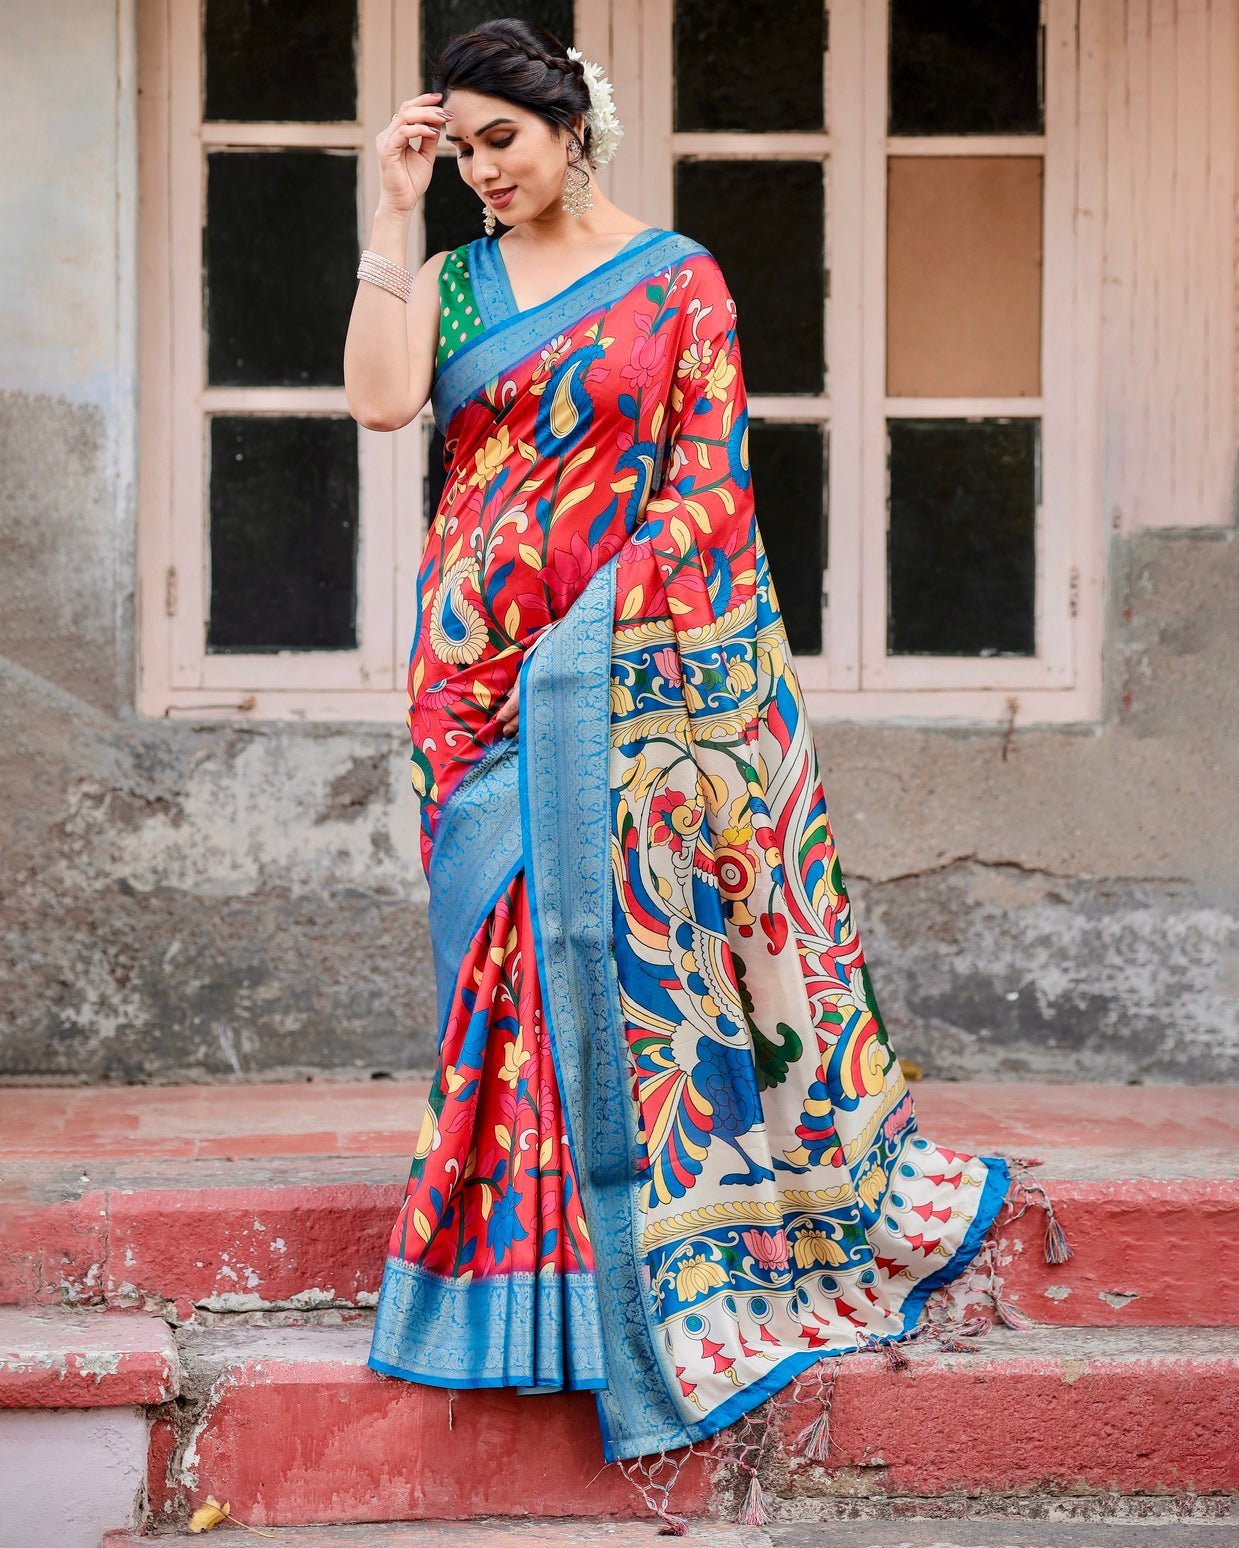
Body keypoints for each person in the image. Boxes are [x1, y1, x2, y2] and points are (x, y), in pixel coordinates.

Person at [343, 17, 1041, 1519]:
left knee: (609, 956)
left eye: (499, 142)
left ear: (570, 128)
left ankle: (609, 1277)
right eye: (457, 146)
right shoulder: (453, 275)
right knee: (505, 961)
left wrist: (592, 639)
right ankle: (510, 1278)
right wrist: (389, 218)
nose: (481, 170)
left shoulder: (678, 280)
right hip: (472, 667)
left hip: (623, 669)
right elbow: (384, 402)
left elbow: (710, 488)